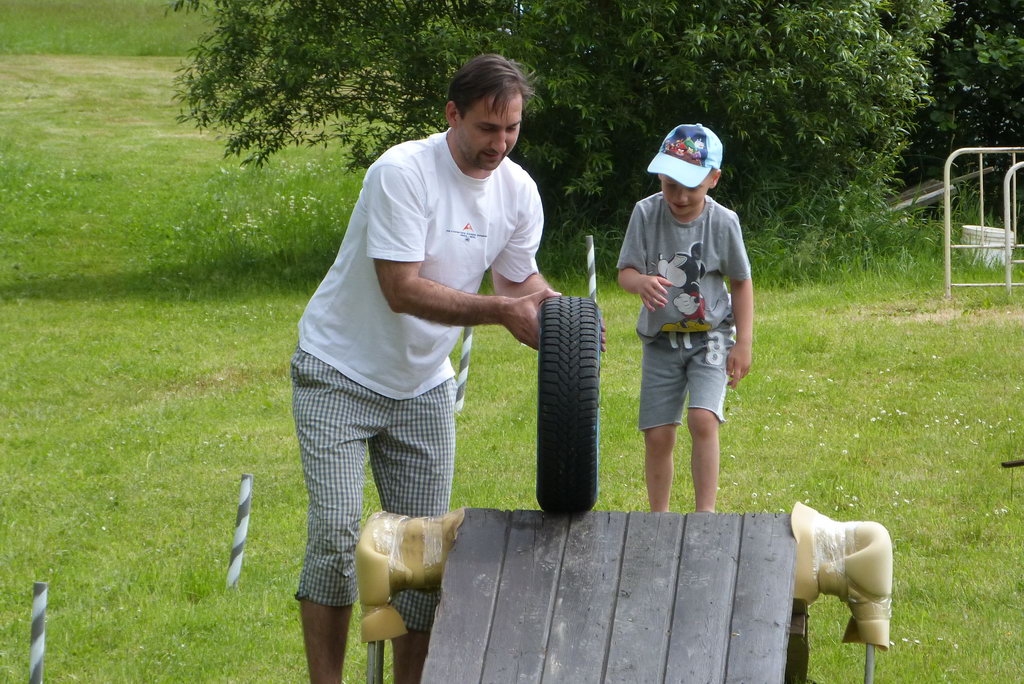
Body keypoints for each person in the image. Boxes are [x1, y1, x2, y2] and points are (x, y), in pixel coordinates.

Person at [290, 54, 558, 684]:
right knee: (335, 538)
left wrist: (563, 315)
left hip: (422, 386)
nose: (500, 144)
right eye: (487, 128)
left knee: (423, 552)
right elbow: (401, 288)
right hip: (338, 371)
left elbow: (517, 278)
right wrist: (502, 312)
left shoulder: (518, 190)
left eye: (512, 128)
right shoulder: (402, 172)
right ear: (452, 115)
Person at [616, 123, 754, 513]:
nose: (678, 196)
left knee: (702, 420)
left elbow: (741, 282)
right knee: (658, 434)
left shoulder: (723, 222)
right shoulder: (645, 213)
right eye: (669, 185)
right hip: (660, 341)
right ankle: (658, 518)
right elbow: (625, 273)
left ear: (713, 179)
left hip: (711, 337)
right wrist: (640, 282)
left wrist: (744, 343)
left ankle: (704, 517)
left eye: (690, 187)